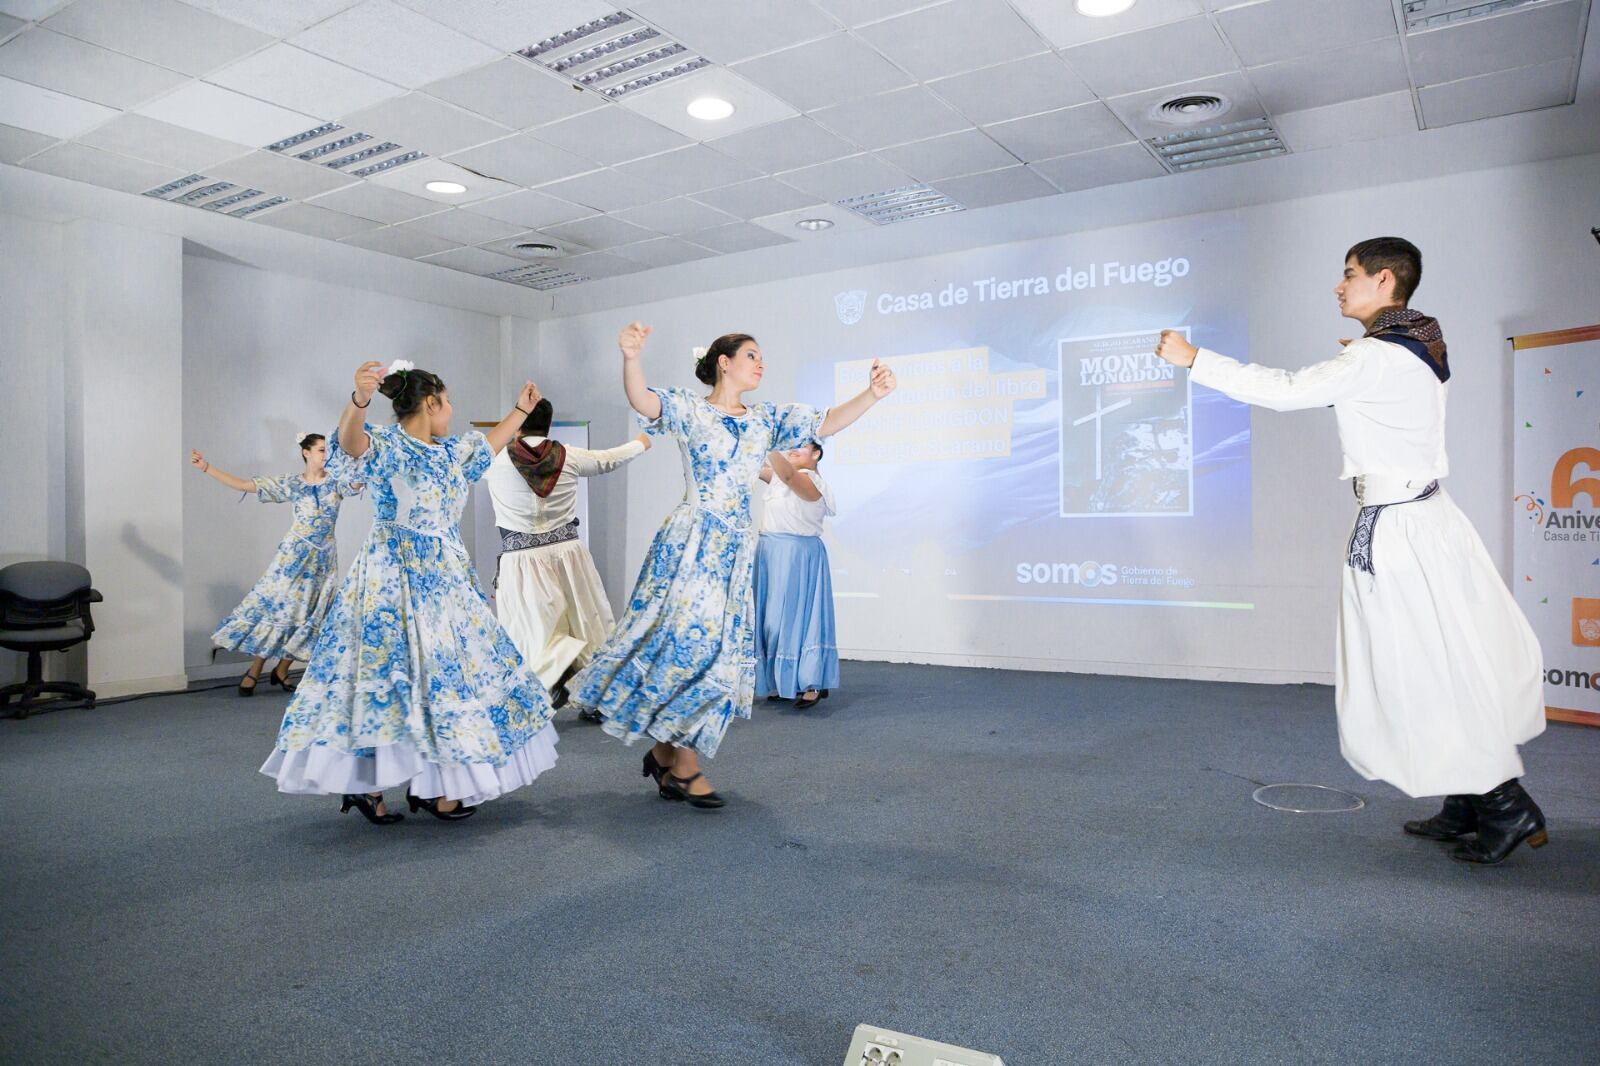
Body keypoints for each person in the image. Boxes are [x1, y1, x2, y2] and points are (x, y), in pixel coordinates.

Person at [1152, 237, 1547, 864]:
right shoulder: (1413, 346)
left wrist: (1194, 359)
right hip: (1422, 521)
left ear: (1385, 280)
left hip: (1400, 529)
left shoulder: (1378, 357)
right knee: (1434, 659)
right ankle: (1467, 798)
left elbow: (1283, 390)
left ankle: (1504, 805)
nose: (1339, 287)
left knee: (1422, 665)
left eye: (1350, 275)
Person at [568, 324, 895, 809]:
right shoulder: (693, 410)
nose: (760, 363)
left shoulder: (765, 420)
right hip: (690, 542)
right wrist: (631, 357)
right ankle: (682, 764)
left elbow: (825, 421)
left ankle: (667, 753)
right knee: (683, 647)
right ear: (724, 362)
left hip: (733, 552)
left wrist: (871, 394)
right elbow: (643, 402)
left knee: (715, 653)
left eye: (762, 357)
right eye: (750, 355)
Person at [260, 360, 558, 825]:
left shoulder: (449, 452)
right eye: (449, 401)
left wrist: (520, 411)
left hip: (445, 578)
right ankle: (371, 787)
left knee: (445, 681)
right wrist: (358, 399)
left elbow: (489, 443)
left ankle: (441, 788)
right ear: (430, 402)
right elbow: (348, 443)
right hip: (390, 577)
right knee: (389, 681)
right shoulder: (385, 444)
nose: (453, 409)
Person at [483, 396, 650, 718]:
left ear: (517, 424)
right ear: (549, 423)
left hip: (523, 558)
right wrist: (641, 443)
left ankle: (555, 675)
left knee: (532, 629)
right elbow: (608, 459)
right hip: (569, 554)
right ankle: (596, 696)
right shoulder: (568, 456)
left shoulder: (496, 461)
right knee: (587, 622)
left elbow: (458, 469)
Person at [189, 432, 358, 696]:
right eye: (322, 450)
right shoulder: (292, 483)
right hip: (293, 557)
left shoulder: (337, 482)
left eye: (329, 450)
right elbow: (246, 485)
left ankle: (281, 670)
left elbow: (359, 483)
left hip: (323, 560)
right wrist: (207, 468)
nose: (327, 455)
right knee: (278, 610)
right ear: (307, 452)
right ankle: (255, 670)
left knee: (310, 614)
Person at [754, 442, 839, 710]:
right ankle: (785, 681)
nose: (793, 449)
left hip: (796, 554)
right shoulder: (779, 476)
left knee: (794, 618)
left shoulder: (811, 481)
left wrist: (768, 441)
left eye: (801, 446)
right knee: (771, 621)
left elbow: (790, 476)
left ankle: (811, 682)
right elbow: (758, 468)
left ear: (817, 453)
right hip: (769, 551)